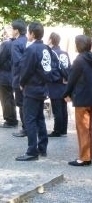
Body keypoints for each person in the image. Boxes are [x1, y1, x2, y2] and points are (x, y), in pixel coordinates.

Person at [15, 21, 49, 161]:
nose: (27, 34)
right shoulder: (45, 48)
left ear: (32, 34)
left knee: (30, 119)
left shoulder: (31, 49)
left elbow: (26, 69)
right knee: (40, 118)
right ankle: (42, 147)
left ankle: (32, 151)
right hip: (42, 88)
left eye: (28, 32)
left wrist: (22, 83)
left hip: (32, 88)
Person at [63, 35, 92, 166]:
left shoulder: (79, 60)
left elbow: (71, 79)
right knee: (89, 128)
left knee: (82, 128)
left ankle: (84, 157)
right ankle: (89, 155)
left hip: (82, 97)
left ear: (78, 45)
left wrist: (66, 93)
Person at [6, 20, 27, 136]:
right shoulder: (28, 41)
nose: (11, 31)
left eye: (12, 29)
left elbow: (18, 63)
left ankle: (25, 128)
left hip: (19, 79)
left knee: (21, 104)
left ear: (17, 30)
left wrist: (20, 81)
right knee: (27, 104)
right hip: (29, 79)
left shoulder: (16, 43)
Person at [47, 32, 71, 137]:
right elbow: (69, 68)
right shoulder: (64, 53)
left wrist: (55, 79)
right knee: (63, 107)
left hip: (55, 84)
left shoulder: (51, 53)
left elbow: (52, 70)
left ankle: (57, 130)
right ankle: (63, 130)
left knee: (57, 109)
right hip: (65, 83)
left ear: (51, 40)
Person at [0, 25, 18, 128]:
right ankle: (13, 118)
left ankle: (10, 120)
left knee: (6, 98)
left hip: (4, 76)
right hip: (12, 76)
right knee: (10, 98)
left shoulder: (6, 44)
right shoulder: (15, 43)